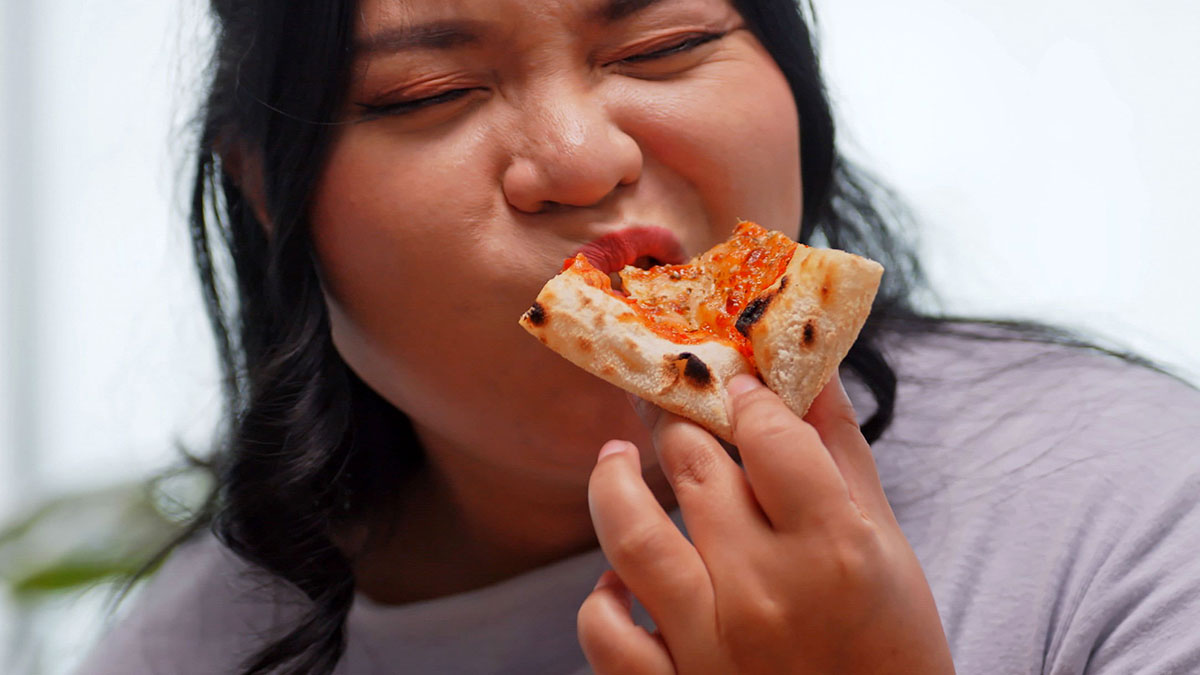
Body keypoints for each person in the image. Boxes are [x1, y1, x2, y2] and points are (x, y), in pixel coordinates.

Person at [78, 0, 1200, 673]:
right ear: (271, 193)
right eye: (428, 92)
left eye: (663, 44)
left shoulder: (1139, 510)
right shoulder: (198, 645)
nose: (580, 157)